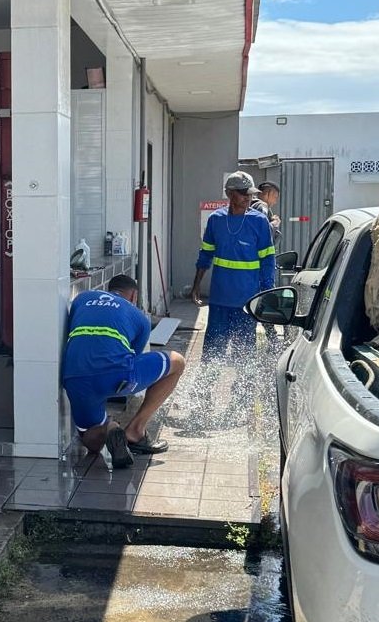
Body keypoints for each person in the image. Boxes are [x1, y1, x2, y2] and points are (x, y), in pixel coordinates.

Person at [63, 274, 186, 469]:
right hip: (116, 375)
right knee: (177, 362)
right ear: (133, 296)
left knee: (90, 441)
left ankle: (109, 429)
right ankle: (136, 430)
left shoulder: (81, 299)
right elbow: (133, 358)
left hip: (75, 377)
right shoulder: (139, 317)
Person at [192, 170, 276, 358]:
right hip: (219, 301)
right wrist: (196, 285)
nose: (249, 197)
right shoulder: (216, 220)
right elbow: (205, 254)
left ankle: (240, 388)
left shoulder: (259, 221)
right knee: (212, 354)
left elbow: (268, 261)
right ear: (230, 193)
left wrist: (267, 292)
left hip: (247, 302)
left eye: (251, 193)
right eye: (244, 193)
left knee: (244, 356)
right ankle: (206, 387)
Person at [252, 181, 282, 247]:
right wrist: (275, 223)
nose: (275, 202)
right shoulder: (262, 206)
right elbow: (262, 232)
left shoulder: (250, 205)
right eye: (275, 197)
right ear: (267, 194)